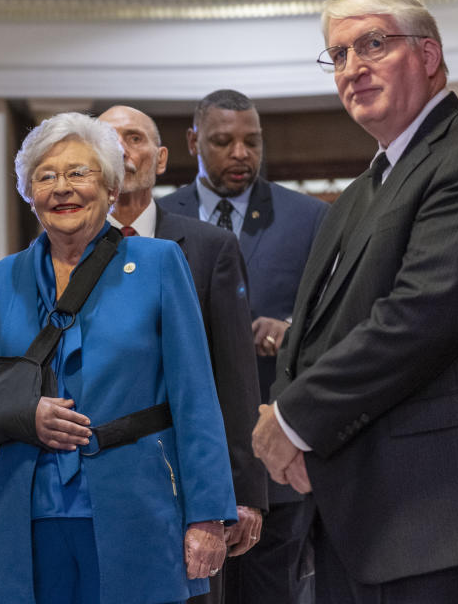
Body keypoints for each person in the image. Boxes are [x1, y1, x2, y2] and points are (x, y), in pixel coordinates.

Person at [252, 0, 458, 603]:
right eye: (339, 55)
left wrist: (296, 420)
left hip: (447, 521)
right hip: (353, 517)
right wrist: (282, 411)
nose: (353, 68)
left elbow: (420, 316)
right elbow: (308, 334)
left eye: (373, 44)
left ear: (429, 56)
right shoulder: (357, 194)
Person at [0, 112, 236, 604]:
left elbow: (195, 396)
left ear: (111, 188)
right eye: (46, 176)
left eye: (79, 173)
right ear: (29, 192)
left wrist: (209, 514)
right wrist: (26, 413)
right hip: (29, 509)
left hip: (138, 501)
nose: (62, 188)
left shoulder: (158, 264)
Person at [159, 90, 327, 604]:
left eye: (252, 142)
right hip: (181, 457)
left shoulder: (307, 218)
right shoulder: (157, 221)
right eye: (223, 141)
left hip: (274, 451)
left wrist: (292, 327)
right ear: (193, 142)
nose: (240, 154)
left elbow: (338, 314)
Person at [97, 106, 266, 576]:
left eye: (134, 138)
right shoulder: (62, 252)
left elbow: (234, 374)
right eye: (108, 140)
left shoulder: (210, 247)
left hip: (189, 482)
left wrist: (244, 491)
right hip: (94, 481)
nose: (123, 152)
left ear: (163, 157)